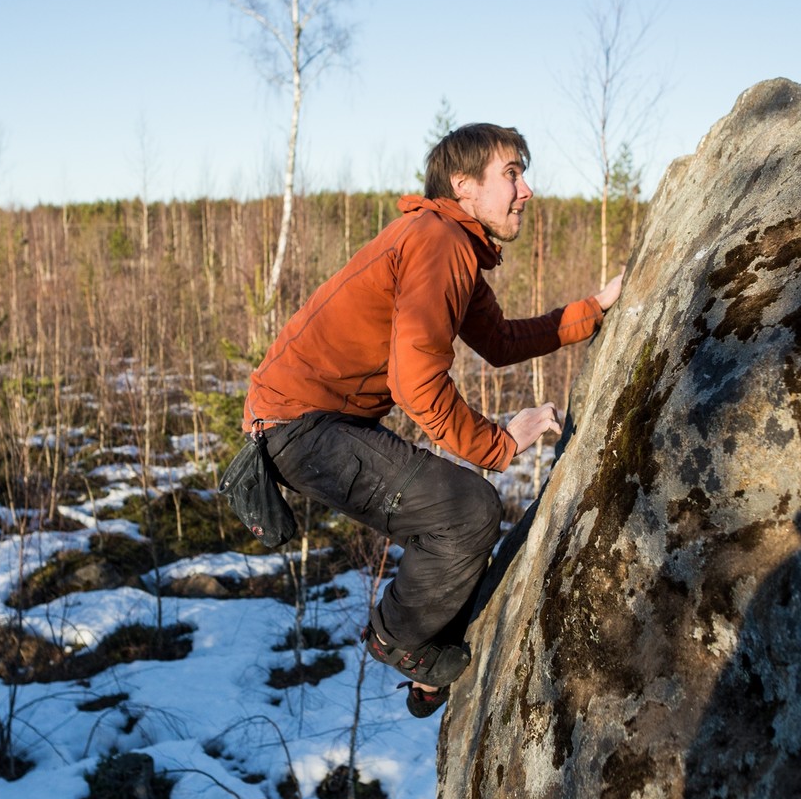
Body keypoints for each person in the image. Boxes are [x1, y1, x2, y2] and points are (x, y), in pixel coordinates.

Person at [242, 123, 623, 718]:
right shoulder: (439, 240)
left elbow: (498, 340)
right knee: (467, 510)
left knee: (453, 520)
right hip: (300, 424)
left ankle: (426, 660)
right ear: (463, 186)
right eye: (512, 174)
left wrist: (593, 309)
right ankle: (398, 639)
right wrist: (499, 443)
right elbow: (415, 382)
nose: (526, 190)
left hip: (315, 421)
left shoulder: (450, 242)